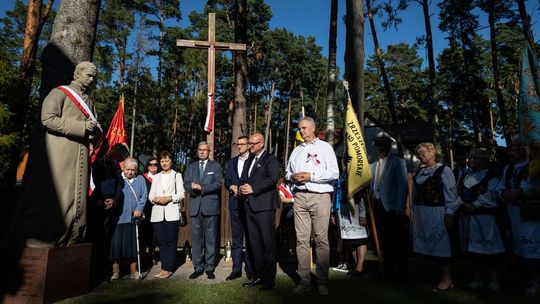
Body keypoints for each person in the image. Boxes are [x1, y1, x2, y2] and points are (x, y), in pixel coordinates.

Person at [9, 61, 100, 248]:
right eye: (89, 75)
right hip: (61, 154)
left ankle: (73, 239)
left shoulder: (89, 101)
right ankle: (49, 238)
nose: (92, 80)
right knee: (59, 195)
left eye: (94, 77)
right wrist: (81, 127)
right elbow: (48, 119)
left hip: (81, 155)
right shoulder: (60, 93)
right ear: (78, 73)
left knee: (77, 199)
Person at [285, 117, 339, 295]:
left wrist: (311, 176)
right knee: (301, 240)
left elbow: (334, 172)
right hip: (300, 197)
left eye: (304, 128)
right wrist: (293, 177)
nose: (301, 131)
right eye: (300, 128)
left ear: (313, 128)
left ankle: (322, 281)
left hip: (320, 196)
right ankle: (305, 280)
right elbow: (287, 172)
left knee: (321, 239)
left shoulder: (325, 148)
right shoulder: (296, 151)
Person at [412, 142, 459, 291]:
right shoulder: (419, 172)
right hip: (422, 213)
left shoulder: (444, 170)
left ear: (433, 153)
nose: (421, 155)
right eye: (419, 153)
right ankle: (434, 276)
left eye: (424, 152)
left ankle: (447, 279)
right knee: (427, 246)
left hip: (437, 212)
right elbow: (414, 195)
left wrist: (449, 213)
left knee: (442, 246)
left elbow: (451, 195)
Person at [457, 148, 505, 290]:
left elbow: (491, 195)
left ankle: (493, 279)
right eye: (470, 158)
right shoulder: (465, 175)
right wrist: (462, 203)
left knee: (491, 250)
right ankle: (476, 278)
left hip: (485, 219)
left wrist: (475, 204)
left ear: (484, 160)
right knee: (472, 251)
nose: (471, 161)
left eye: (475, 158)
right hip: (467, 218)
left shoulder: (491, 176)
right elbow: (458, 191)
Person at [239, 132, 280, 291]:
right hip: (249, 206)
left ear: (262, 144)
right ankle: (259, 276)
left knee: (268, 244)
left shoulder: (270, 159)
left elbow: (273, 179)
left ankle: (270, 280)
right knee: (254, 244)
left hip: (264, 207)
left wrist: (253, 189)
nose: (250, 146)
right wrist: (242, 186)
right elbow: (244, 178)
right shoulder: (249, 159)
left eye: (253, 144)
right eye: (249, 143)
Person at [498, 138, 540, 296]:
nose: (514, 148)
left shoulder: (535, 165)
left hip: (531, 212)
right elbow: (501, 184)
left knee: (534, 246)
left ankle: (537, 282)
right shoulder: (510, 167)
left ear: (527, 148)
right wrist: (504, 194)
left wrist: (516, 193)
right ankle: (530, 277)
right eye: (513, 145)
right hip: (514, 212)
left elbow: (532, 186)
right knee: (521, 246)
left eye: (518, 146)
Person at [369, 136, 409, 281]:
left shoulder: (398, 162)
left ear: (388, 147)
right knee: (384, 240)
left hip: (392, 207)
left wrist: (399, 208)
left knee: (397, 241)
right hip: (378, 207)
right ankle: (389, 271)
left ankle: (402, 271)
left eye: (382, 146)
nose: (379, 149)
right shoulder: (373, 165)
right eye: (377, 146)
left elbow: (402, 186)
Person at [183, 142, 222, 280]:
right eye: (200, 150)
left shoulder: (215, 166)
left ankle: (209, 268)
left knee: (211, 239)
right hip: (195, 207)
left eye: (205, 150)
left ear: (209, 151)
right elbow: (186, 184)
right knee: (197, 239)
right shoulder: (191, 167)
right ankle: (198, 267)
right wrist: (191, 186)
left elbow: (218, 184)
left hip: (210, 207)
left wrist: (202, 188)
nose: (202, 152)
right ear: (197, 151)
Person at [109, 157, 147, 280]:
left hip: (133, 218)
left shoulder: (140, 179)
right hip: (118, 217)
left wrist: (139, 209)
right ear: (123, 168)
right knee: (116, 246)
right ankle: (116, 271)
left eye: (133, 170)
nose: (130, 172)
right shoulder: (117, 178)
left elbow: (144, 196)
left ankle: (133, 271)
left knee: (133, 246)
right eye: (128, 169)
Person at [149, 151, 185, 279]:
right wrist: (156, 199)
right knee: (162, 242)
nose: (164, 163)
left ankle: (169, 268)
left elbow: (181, 194)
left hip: (171, 212)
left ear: (171, 161)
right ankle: (164, 267)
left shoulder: (177, 175)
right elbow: (150, 195)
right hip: (157, 213)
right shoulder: (156, 177)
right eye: (162, 161)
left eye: (167, 160)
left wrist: (169, 198)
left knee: (171, 241)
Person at [224, 135, 254, 281]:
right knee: (236, 239)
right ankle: (236, 270)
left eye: (242, 144)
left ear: (249, 145)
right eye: (238, 144)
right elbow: (227, 180)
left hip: (249, 204)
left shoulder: (254, 160)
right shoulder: (232, 162)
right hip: (235, 204)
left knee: (249, 237)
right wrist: (231, 186)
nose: (240, 146)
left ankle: (250, 268)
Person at [141, 158, 159, 266]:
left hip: (157, 209)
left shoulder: (160, 177)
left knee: (154, 234)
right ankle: (143, 257)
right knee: (144, 233)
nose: (153, 166)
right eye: (151, 164)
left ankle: (152, 256)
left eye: (155, 164)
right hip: (145, 209)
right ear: (147, 166)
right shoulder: (142, 178)